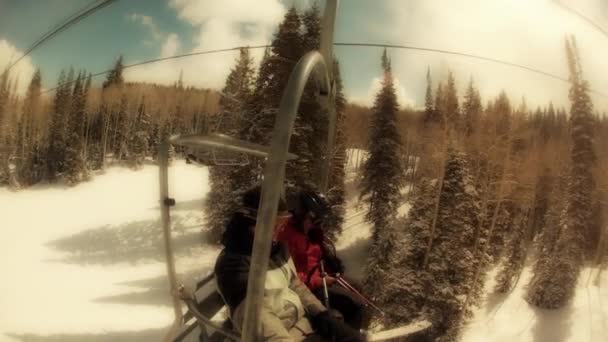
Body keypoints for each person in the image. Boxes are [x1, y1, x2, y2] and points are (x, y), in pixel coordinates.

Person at [214, 185, 365, 342]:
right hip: (285, 335)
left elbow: (295, 284)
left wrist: (321, 315)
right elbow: (256, 315)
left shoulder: (276, 250)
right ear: (252, 224)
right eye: (274, 225)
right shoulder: (233, 264)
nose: (278, 233)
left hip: (303, 325)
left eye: (281, 224)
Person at [277, 188, 367, 331]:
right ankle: (347, 335)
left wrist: (331, 265)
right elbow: (291, 276)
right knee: (355, 305)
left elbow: (316, 258)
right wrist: (320, 280)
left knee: (356, 287)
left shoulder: (310, 233)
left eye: (319, 220)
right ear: (301, 215)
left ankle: (351, 329)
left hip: (319, 277)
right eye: (313, 219)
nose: (316, 224)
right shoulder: (289, 238)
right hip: (308, 288)